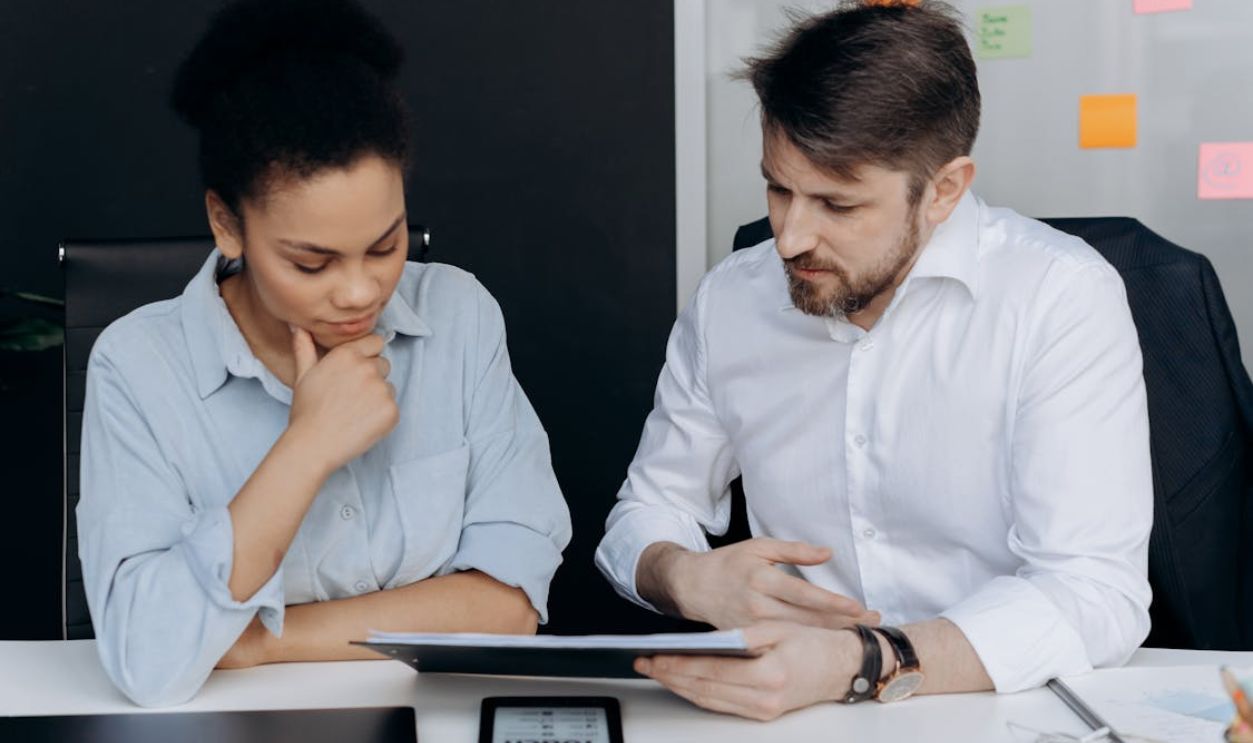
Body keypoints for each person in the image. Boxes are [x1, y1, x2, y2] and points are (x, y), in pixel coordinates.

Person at [596, 0, 1152, 720]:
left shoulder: (1058, 299)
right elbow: (645, 509)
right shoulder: (731, 300)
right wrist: (683, 574)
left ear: (944, 190)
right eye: (777, 187)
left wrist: (861, 661)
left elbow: (1092, 591)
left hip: (1007, 712)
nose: (790, 237)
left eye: (837, 204)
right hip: (792, 717)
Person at [77, 0, 570, 707]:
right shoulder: (137, 366)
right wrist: (305, 448)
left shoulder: (457, 316)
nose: (360, 290)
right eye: (312, 263)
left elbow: (508, 608)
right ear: (226, 223)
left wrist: (250, 641)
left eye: (386, 244)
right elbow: (147, 659)